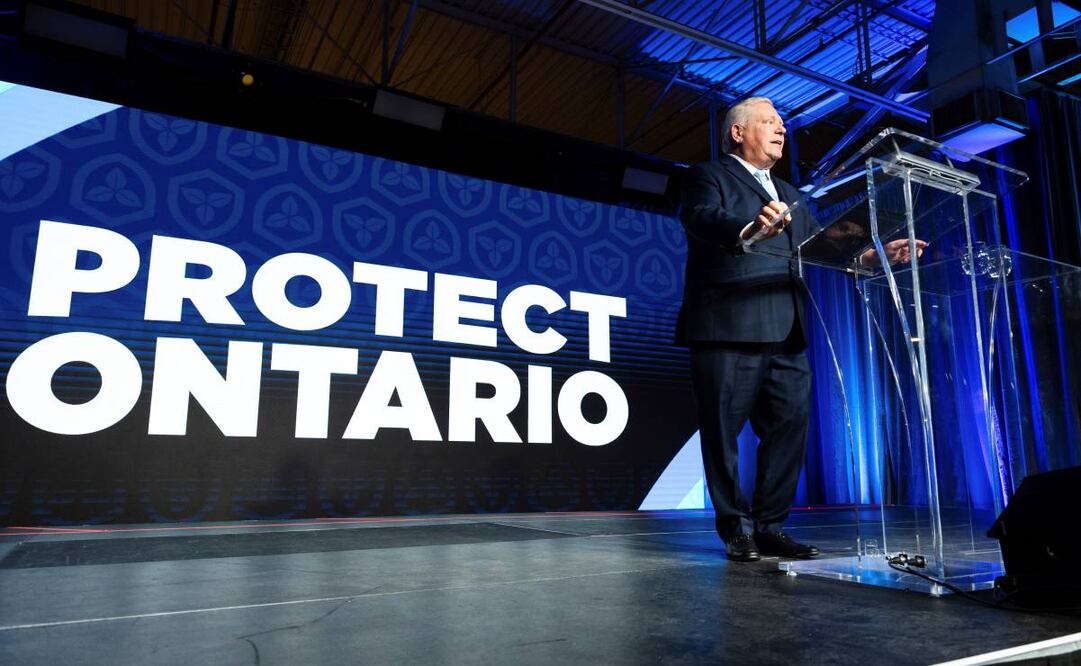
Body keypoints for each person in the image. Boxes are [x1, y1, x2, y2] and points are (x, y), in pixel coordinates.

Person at [677, 97, 925, 562]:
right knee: (722, 433)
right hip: (728, 323)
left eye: (783, 124)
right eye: (769, 122)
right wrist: (748, 229)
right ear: (737, 132)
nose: (781, 129)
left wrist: (871, 257)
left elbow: (817, 250)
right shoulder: (708, 175)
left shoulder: (790, 192)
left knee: (789, 429)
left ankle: (770, 526)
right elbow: (701, 217)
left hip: (787, 328)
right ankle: (736, 529)